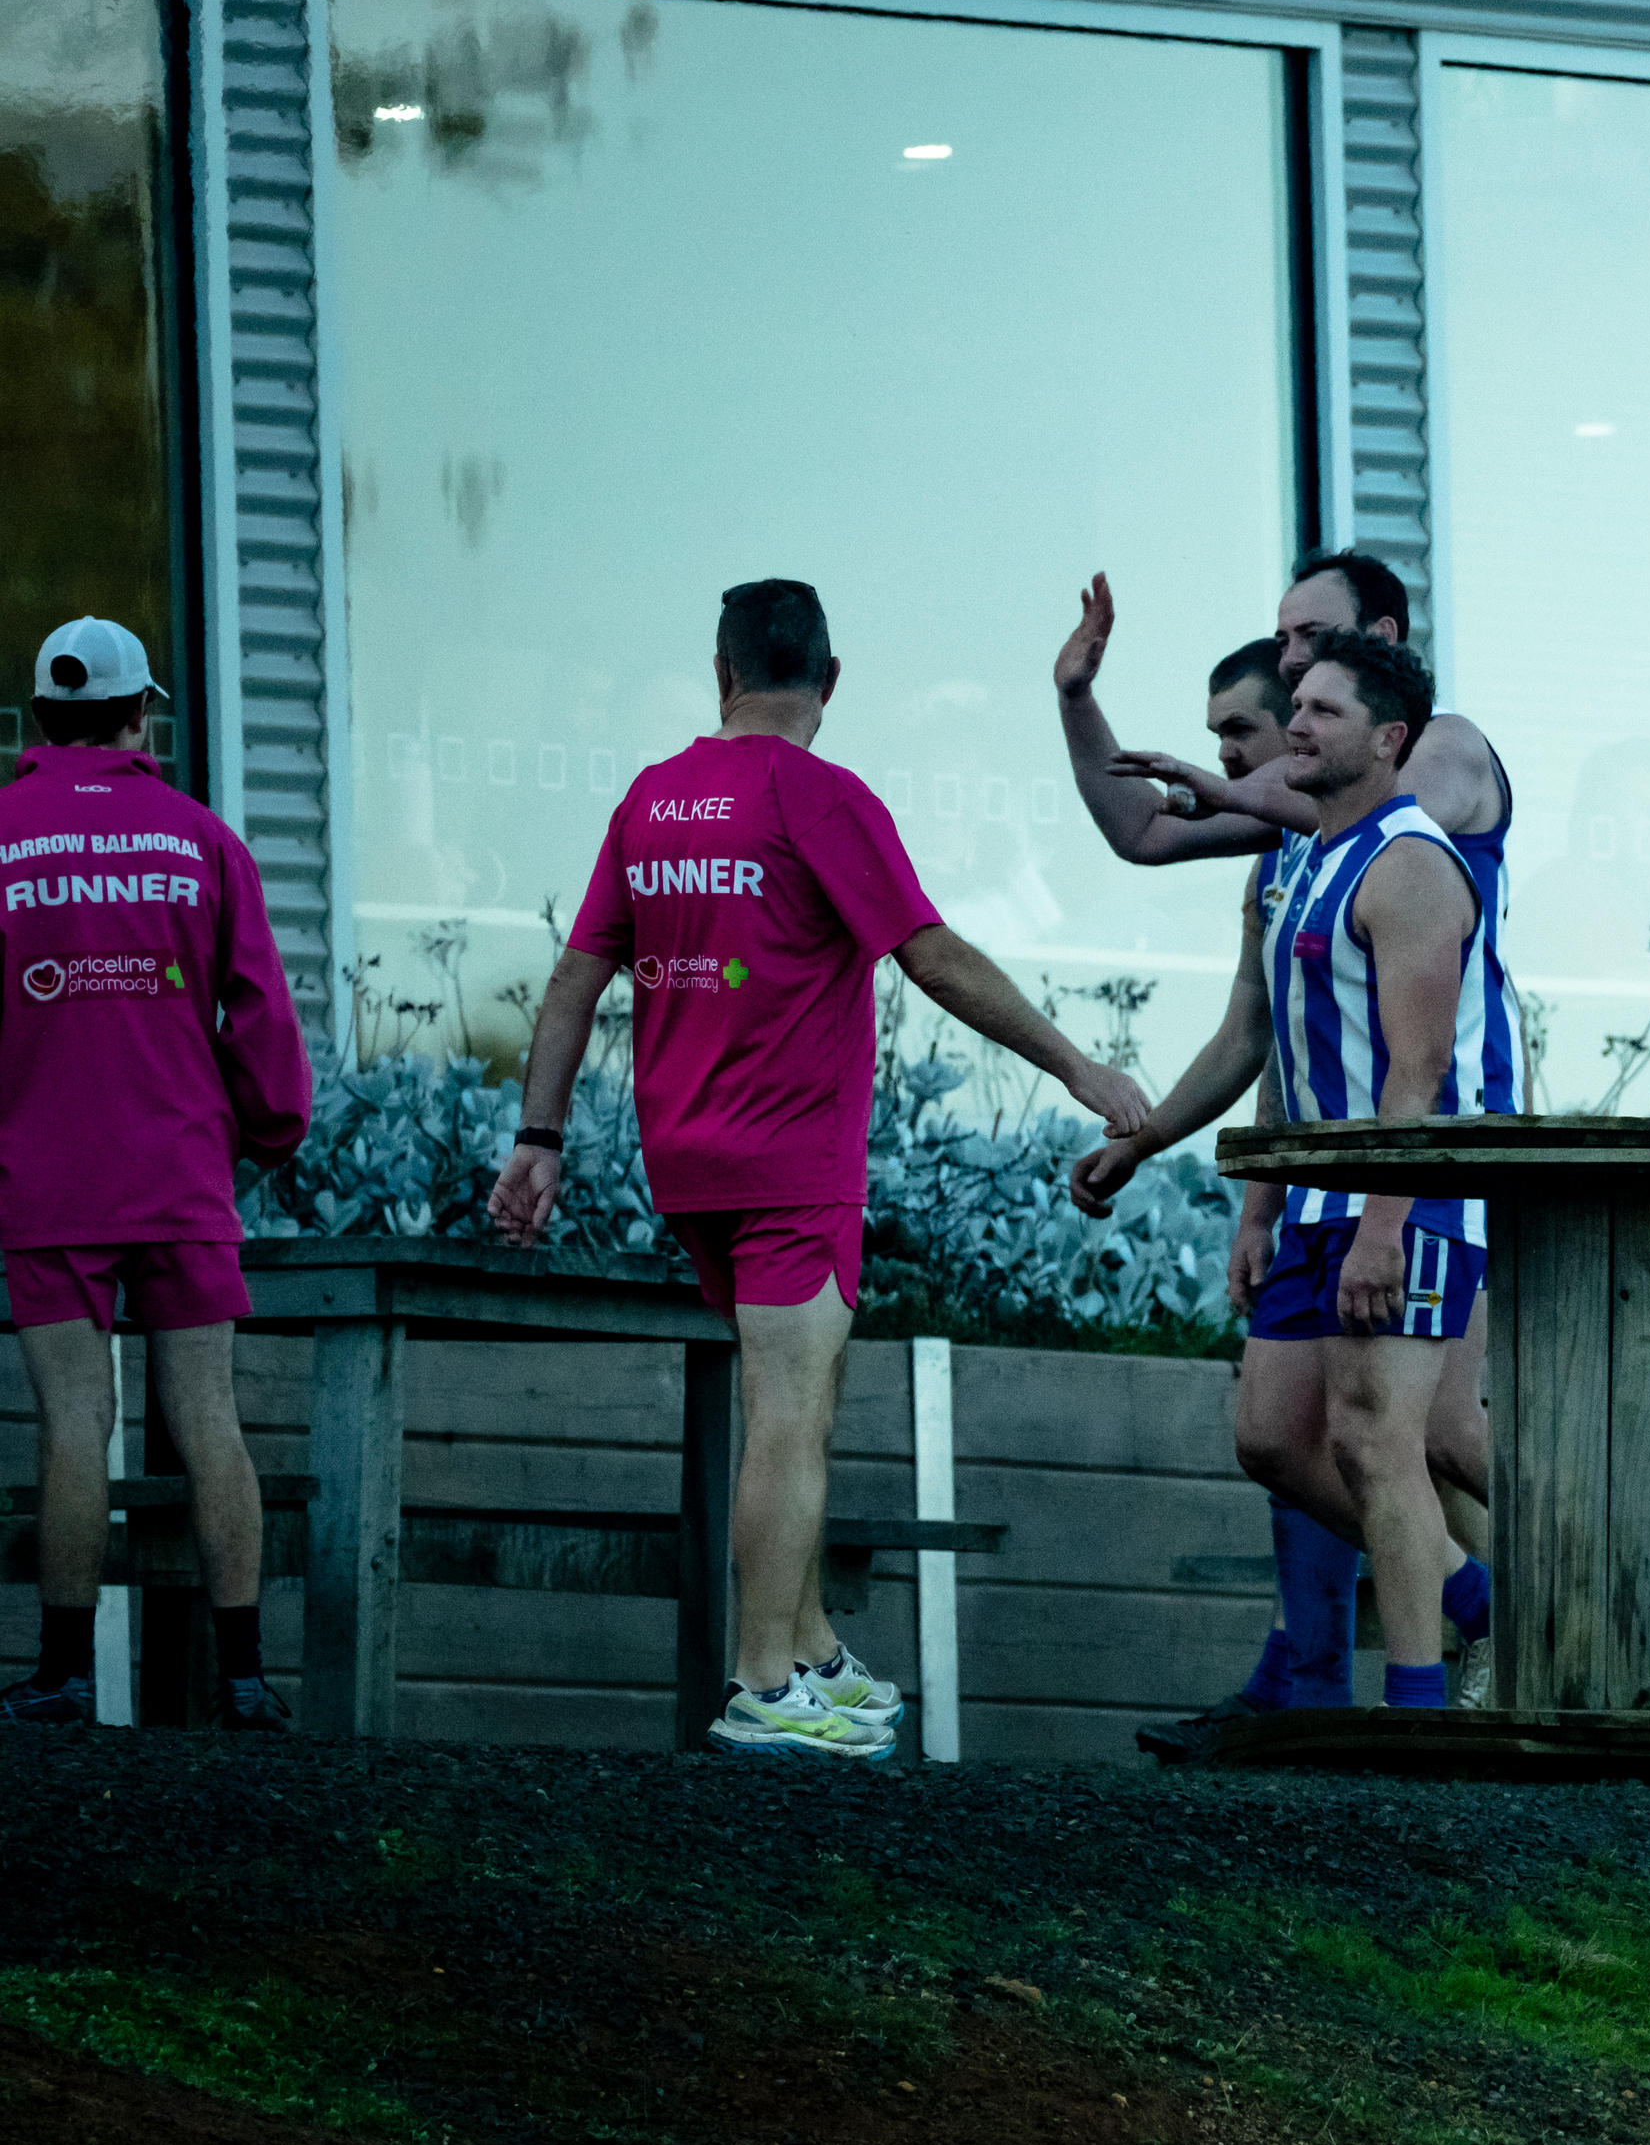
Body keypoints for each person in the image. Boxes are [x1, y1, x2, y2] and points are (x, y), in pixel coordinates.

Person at [497, 580, 1149, 1760]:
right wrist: (1076, 1066)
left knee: (804, 1398)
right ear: (830, 680)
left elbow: (576, 974)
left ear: (722, 672)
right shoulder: (820, 796)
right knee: (789, 1416)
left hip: (687, 1160)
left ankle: (807, 1649)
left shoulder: (651, 801)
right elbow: (933, 957)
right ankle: (761, 1681)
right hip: (790, 1157)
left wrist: (538, 1140)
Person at [1053, 574, 1504, 1734]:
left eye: (1320, 708)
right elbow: (1251, 1041)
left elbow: (1418, 1073)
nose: (1293, 721)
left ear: (1389, 738)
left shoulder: (1412, 851)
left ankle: (1421, 1708)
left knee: (1391, 1438)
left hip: (1405, 1194)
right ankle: (1484, 1601)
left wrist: (1385, 1221)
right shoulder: (1297, 859)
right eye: (1290, 704)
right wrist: (1149, 1144)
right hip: (1311, 1194)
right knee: (1272, 1436)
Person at [0, 622, 313, 1732]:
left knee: (73, 1420)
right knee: (209, 1414)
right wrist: (268, 1134)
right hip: (182, 1174)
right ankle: (244, 1679)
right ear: (142, 718)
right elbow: (261, 1015)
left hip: (45, 1178)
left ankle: (63, 1675)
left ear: (42, 722)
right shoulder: (203, 842)